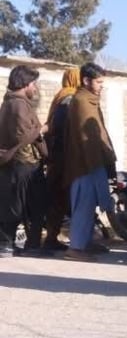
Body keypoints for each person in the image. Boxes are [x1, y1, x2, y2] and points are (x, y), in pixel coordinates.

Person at [62, 63, 116, 262]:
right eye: (99, 81)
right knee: (83, 205)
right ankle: (75, 247)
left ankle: (85, 242)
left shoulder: (90, 100)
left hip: (93, 162)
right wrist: (98, 165)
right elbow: (89, 139)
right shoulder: (82, 101)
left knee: (90, 204)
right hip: (85, 164)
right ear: (86, 81)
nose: (101, 86)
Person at [0, 65, 49, 258]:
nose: (35, 88)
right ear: (26, 84)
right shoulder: (18, 104)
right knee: (27, 205)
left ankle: (14, 244)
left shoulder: (10, 103)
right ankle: (19, 245)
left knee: (19, 204)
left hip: (18, 163)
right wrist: (42, 130)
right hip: (24, 162)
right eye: (33, 83)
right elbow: (23, 136)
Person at [43, 67, 80, 251]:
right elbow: (61, 127)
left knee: (57, 196)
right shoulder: (69, 98)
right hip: (63, 156)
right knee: (61, 197)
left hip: (55, 155)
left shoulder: (60, 96)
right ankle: (54, 238)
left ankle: (52, 237)